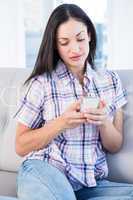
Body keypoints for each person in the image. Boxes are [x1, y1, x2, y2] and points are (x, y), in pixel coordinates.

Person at [11, 3, 133, 200]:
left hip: (90, 184)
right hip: (45, 170)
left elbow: (115, 145)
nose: (75, 49)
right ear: (55, 45)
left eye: (80, 39)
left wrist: (103, 122)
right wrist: (62, 123)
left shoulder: (110, 81)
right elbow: (21, 145)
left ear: (90, 36)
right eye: (64, 42)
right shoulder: (41, 83)